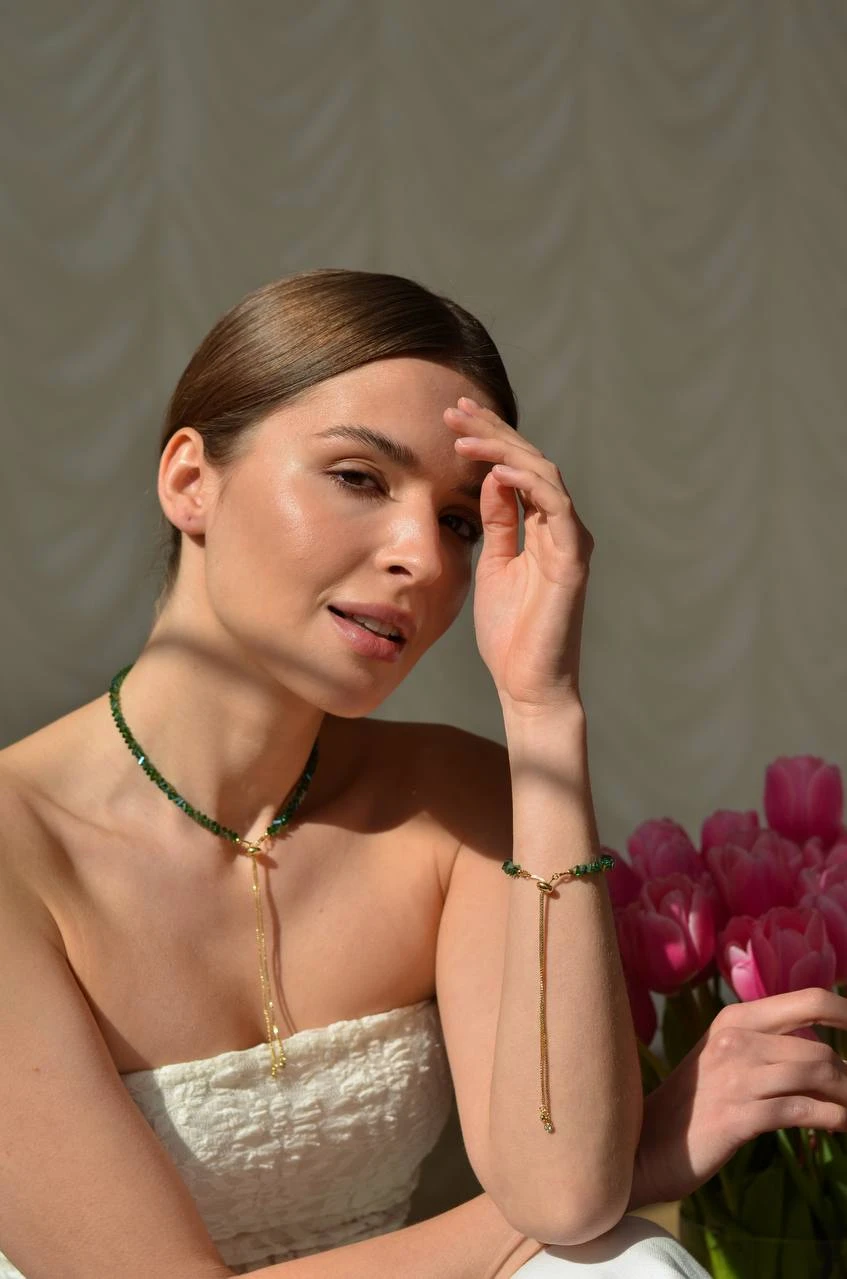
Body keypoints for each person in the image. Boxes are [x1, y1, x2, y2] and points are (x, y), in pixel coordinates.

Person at [0, 269, 842, 1279]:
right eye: (359, 477)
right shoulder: (16, 847)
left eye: (457, 520)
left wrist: (542, 708)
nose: (425, 561)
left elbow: (566, 1194)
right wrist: (644, 1158)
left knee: (617, 1264)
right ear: (190, 481)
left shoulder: (456, 803)